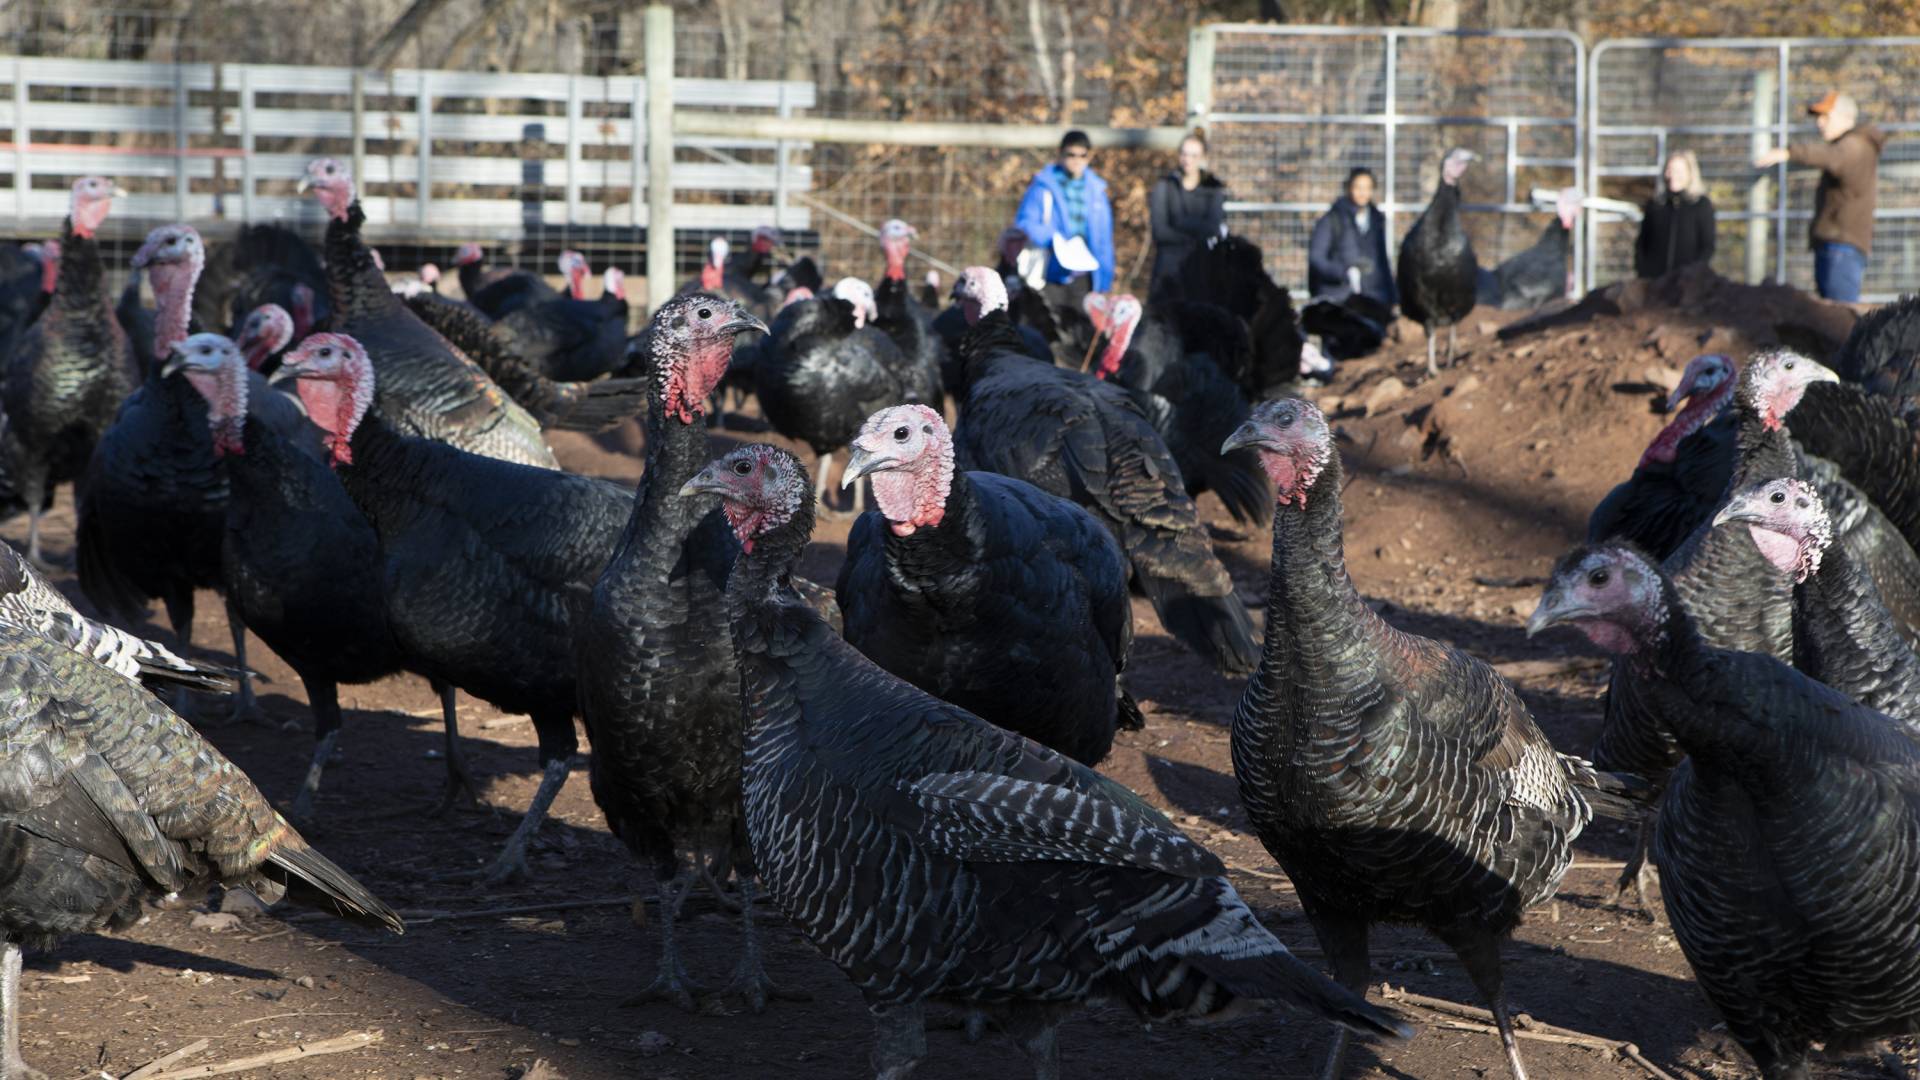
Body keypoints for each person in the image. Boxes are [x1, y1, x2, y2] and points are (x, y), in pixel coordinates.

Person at [1755, 90, 1888, 302]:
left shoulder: (1855, 146)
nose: (1820, 123)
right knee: (1832, 317)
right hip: (1836, 247)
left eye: (1826, 117)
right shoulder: (1853, 144)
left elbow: (1832, 157)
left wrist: (1789, 152)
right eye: (1819, 118)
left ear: (1846, 117)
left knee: (1840, 319)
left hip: (1841, 248)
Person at [1014, 130, 1115, 311]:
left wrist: (1104, 281)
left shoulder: (1097, 192)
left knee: (1081, 328)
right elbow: (1025, 222)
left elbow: (1104, 240)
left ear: (1088, 156)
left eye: (1082, 155)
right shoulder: (1043, 187)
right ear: (1060, 154)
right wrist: (1054, 240)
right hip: (1052, 270)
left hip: (1085, 274)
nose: (1076, 160)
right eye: (1071, 155)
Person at [1148, 131, 1226, 294]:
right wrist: (1194, 236)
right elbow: (1160, 232)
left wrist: (1178, 222)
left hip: (1201, 269)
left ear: (1202, 157)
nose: (1187, 160)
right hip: (1168, 270)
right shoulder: (1164, 186)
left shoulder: (1213, 188)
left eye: (1193, 155)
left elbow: (1213, 228)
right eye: (1184, 154)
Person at [1307, 167, 1395, 309]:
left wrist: (1393, 297)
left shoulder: (1377, 221)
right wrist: (1343, 272)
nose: (1363, 193)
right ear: (1349, 188)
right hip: (1338, 298)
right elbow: (1316, 258)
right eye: (1358, 187)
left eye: (1367, 188)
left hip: (1373, 299)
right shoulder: (1332, 219)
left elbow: (1383, 262)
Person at [1634, 149, 1716, 279]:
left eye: (1678, 171)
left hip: (1686, 285)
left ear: (1690, 174)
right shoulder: (1656, 205)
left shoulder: (1701, 205)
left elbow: (1707, 247)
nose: (1672, 175)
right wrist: (1643, 272)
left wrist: (1693, 274)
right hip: (1655, 283)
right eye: (1669, 170)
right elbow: (1642, 243)